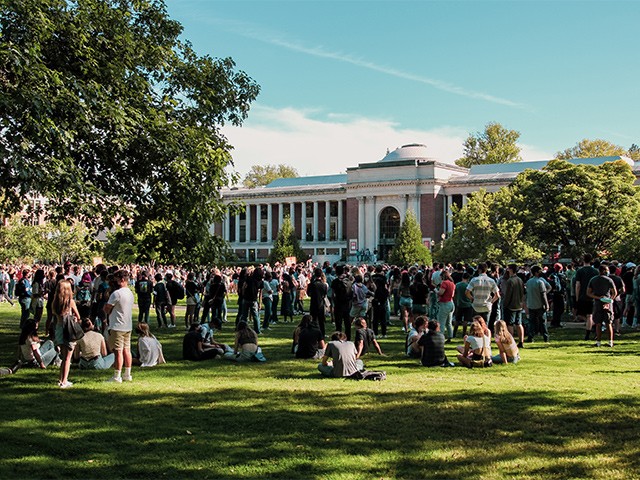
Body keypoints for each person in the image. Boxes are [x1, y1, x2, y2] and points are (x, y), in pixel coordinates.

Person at [104, 269, 135, 383]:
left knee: (118, 351)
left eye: (117, 279)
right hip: (127, 325)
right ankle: (127, 374)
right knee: (127, 350)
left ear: (122, 279)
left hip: (117, 325)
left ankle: (117, 375)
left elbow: (107, 309)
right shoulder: (130, 293)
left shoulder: (116, 294)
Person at [53, 279, 81, 388]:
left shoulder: (55, 302)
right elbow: (78, 316)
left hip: (59, 329)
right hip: (68, 330)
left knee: (63, 356)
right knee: (68, 358)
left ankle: (61, 378)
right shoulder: (70, 302)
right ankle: (64, 381)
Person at [587, 264, 618, 347]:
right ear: (604, 271)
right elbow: (614, 292)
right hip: (607, 303)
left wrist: (597, 297)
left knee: (598, 323)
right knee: (608, 322)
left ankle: (598, 342)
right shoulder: (609, 280)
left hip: (597, 302)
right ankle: (610, 342)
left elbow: (588, 293)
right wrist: (610, 300)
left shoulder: (593, 280)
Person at [575, 254, 599, 341]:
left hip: (583, 295)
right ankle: (592, 325)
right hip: (593, 295)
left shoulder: (580, 271)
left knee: (582, 314)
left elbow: (578, 285)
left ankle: (588, 331)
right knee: (589, 315)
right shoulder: (595, 271)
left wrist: (577, 297)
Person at [525, 265, 551, 343]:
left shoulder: (528, 282)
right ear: (536, 272)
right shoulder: (540, 282)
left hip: (531, 304)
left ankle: (530, 337)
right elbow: (543, 295)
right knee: (542, 322)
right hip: (539, 305)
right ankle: (545, 337)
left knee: (531, 322)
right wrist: (546, 305)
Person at [502, 264, 526, 348]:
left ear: (511, 270)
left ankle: (511, 342)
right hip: (519, 304)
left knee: (510, 324)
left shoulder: (510, 281)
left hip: (511, 305)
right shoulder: (520, 280)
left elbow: (508, 295)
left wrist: (505, 304)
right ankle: (521, 341)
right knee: (519, 323)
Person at [331, 265, 352, 340]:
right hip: (347, 304)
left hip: (338, 304)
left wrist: (333, 303)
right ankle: (348, 338)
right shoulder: (349, 281)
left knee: (338, 324)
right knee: (347, 324)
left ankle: (338, 338)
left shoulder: (335, 282)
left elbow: (333, 294)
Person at [307, 267, 328, 336]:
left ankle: (313, 333)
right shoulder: (324, 285)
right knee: (321, 321)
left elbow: (308, 293)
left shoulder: (311, 284)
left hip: (313, 303)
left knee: (313, 320)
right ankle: (322, 333)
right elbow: (325, 294)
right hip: (321, 304)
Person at [436, 270, 455, 342]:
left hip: (445, 303)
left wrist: (436, 291)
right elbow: (452, 294)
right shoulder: (452, 283)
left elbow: (441, 293)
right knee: (449, 322)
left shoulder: (444, 283)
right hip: (451, 303)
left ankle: (441, 337)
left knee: (441, 322)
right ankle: (450, 336)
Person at [453, 272, 474, 338]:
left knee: (457, 319)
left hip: (459, 304)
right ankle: (464, 333)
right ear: (468, 278)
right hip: (467, 304)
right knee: (465, 320)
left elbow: (455, 294)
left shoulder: (457, 285)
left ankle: (454, 333)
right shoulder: (468, 285)